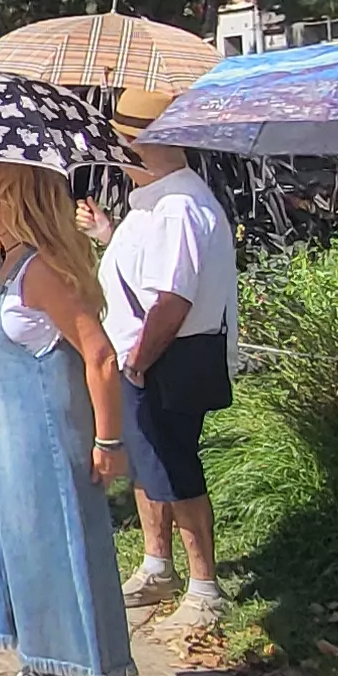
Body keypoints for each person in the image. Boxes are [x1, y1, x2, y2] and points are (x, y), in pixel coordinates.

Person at [0, 162, 144, 676]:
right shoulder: (13, 264)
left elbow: (100, 356)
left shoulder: (45, 272)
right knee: (26, 552)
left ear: (16, 204)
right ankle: (49, 661)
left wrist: (109, 440)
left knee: (72, 552)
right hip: (15, 443)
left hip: (50, 438)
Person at [99, 90, 240, 637]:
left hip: (164, 357)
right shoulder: (157, 202)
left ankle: (204, 586)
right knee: (148, 462)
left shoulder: (178, 206)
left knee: (176, 467)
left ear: (138, 145)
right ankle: (158, 564)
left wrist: (136, 362)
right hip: (147, 355)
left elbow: (172, 299)